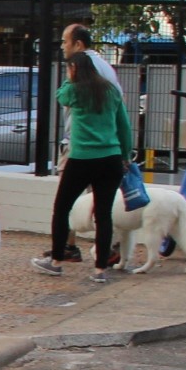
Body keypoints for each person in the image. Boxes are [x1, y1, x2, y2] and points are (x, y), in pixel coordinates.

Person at [34, 50, 136, 284]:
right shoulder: (111, 91)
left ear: (74, 70)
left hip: (81, 158)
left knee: (62, 208)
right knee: (103, 215)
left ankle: (57, 261)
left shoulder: (74, 90)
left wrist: (70, 79)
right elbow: (124, 126)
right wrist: (126, 155)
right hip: (110, 158)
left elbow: (60, 96)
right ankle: (100, 269)